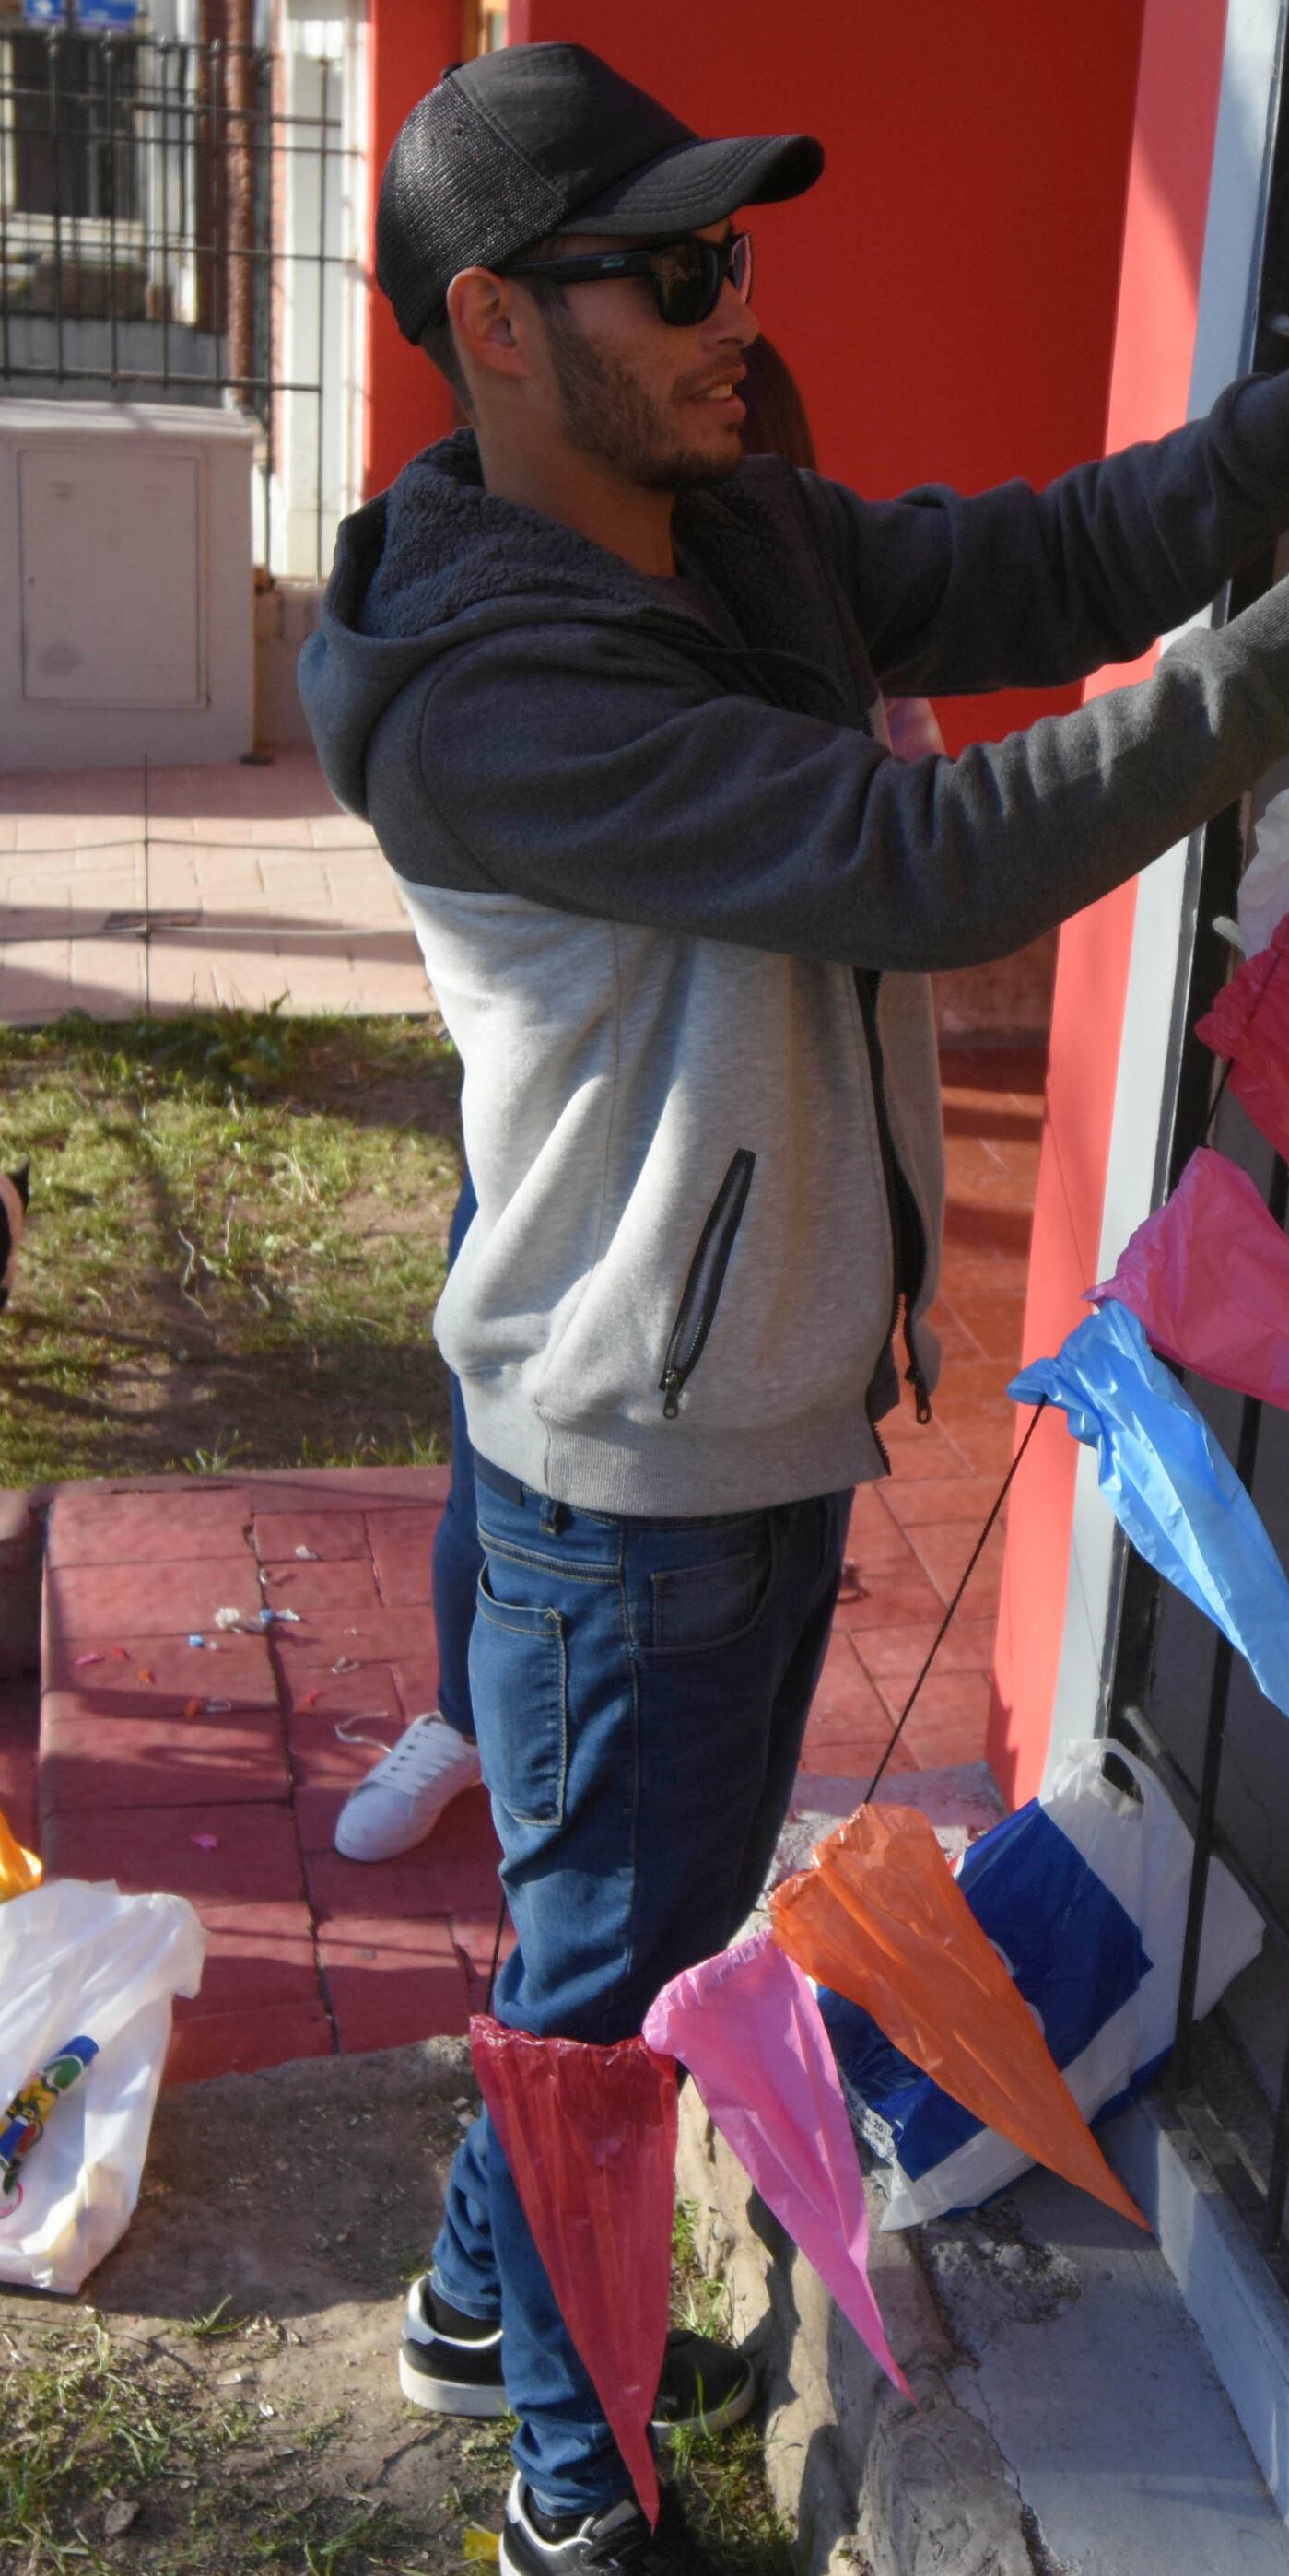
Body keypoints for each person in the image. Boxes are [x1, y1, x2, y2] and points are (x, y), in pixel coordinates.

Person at [302, 39, 1289, 2576]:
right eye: (675, 272)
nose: (736, 304)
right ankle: (571, 2483)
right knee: (618, 1952)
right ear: (502, 327)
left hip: (709, 1398)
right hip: (626, 1456)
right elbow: (932, 855)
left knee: (602, 1922)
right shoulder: (496, 692)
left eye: (737, 248)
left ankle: (474, 2294)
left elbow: (1013, 570)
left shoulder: (713, 517)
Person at [333, 335, 826, 1876]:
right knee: (501, 1449)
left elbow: (907, 869)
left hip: (735, 1206)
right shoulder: (542, 674)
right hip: (567, 1148)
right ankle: (473, 1709)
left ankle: (641, 1778)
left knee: (710, 1644)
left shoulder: (801, 639)